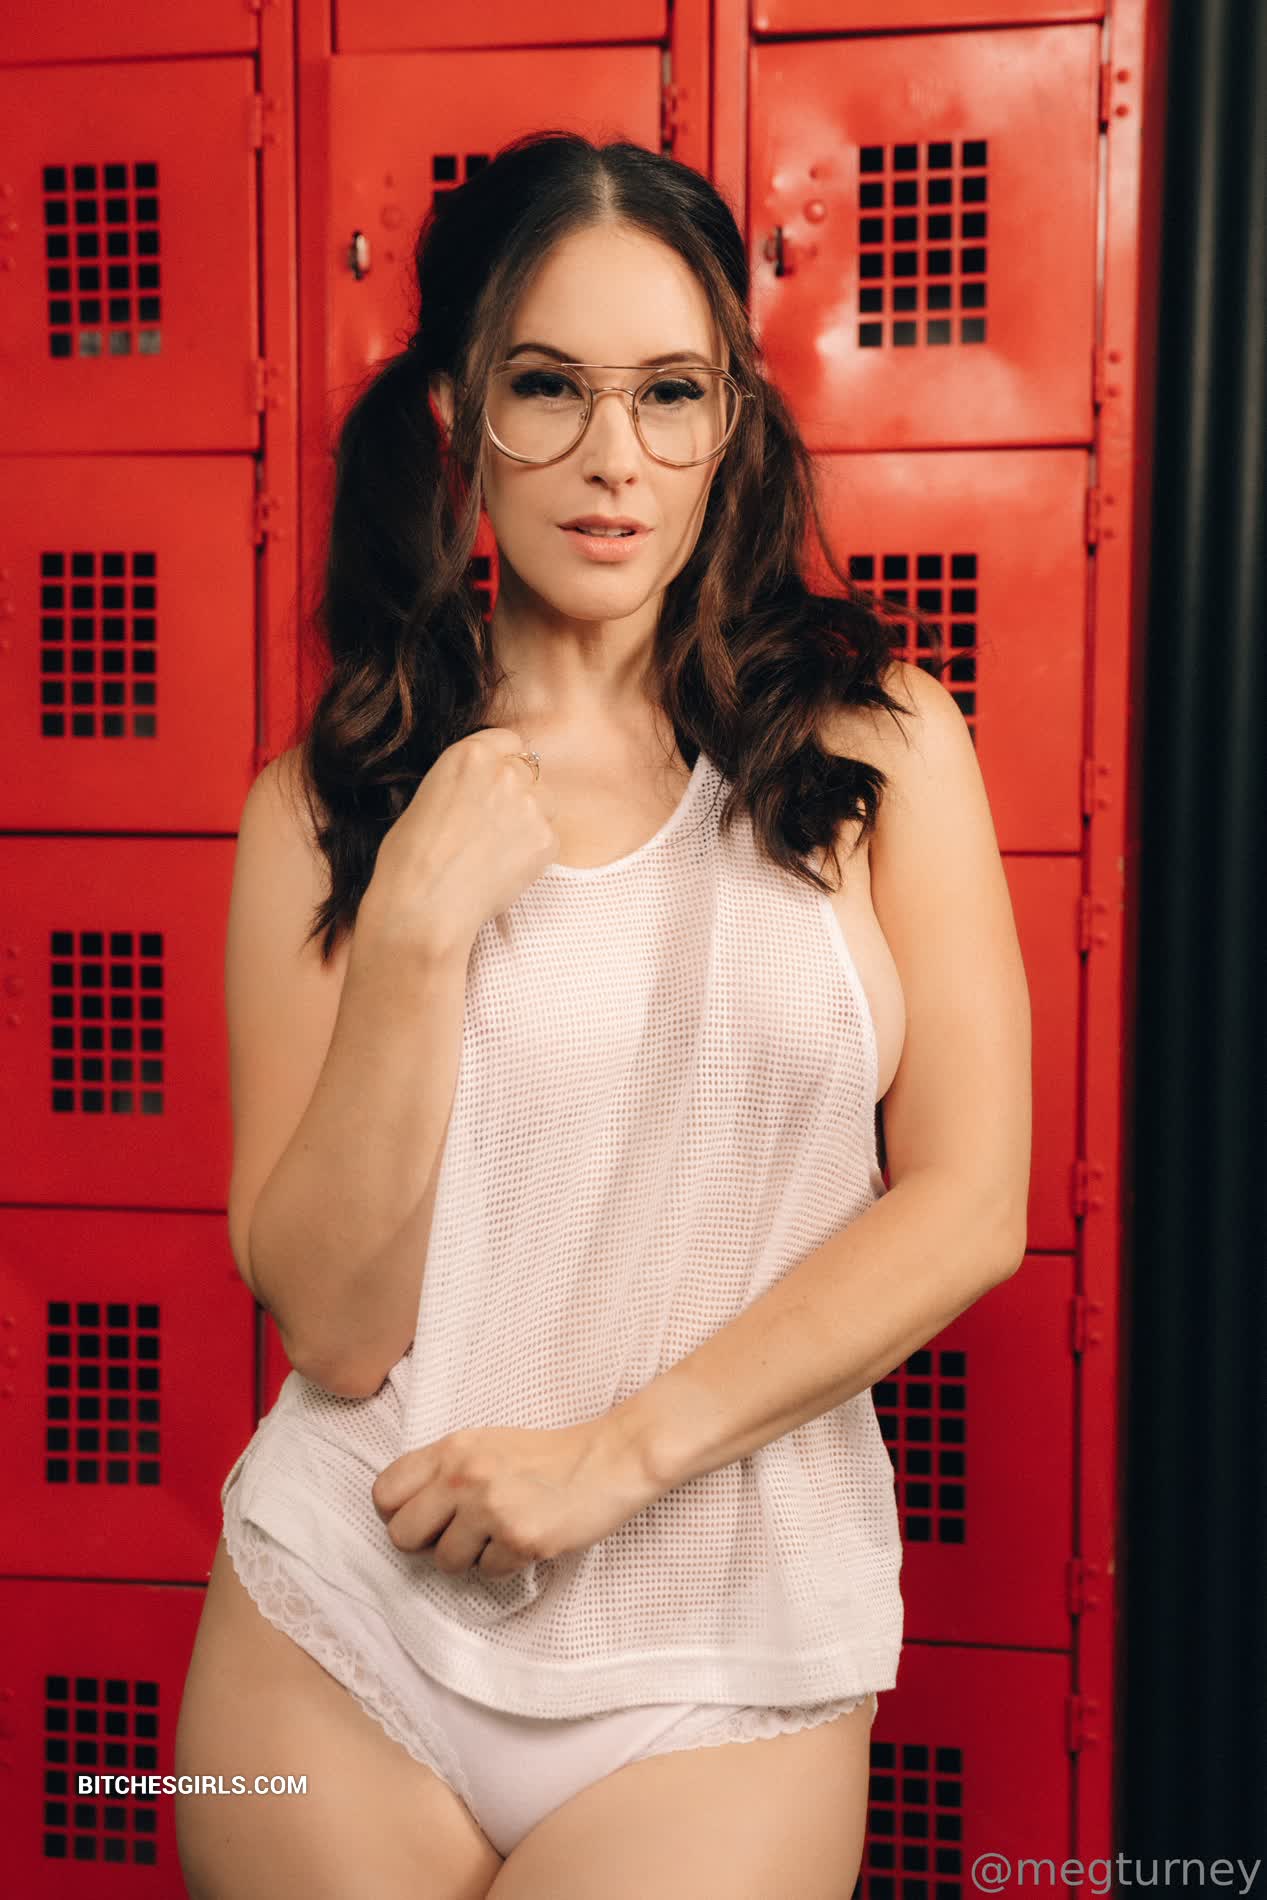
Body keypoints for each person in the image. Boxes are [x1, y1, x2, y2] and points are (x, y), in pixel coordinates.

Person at [174, 131, 1031, 1900]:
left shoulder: (878, 739)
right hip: (344, 1611)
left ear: (733, 420)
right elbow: (335, 1331)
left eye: (670, 392)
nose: (613, 457)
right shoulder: (324, 806)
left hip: (727, 1642)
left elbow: (970, 1206)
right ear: (456, 410)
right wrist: (414, 934)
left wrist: (608, 1462)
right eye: (548, 387)